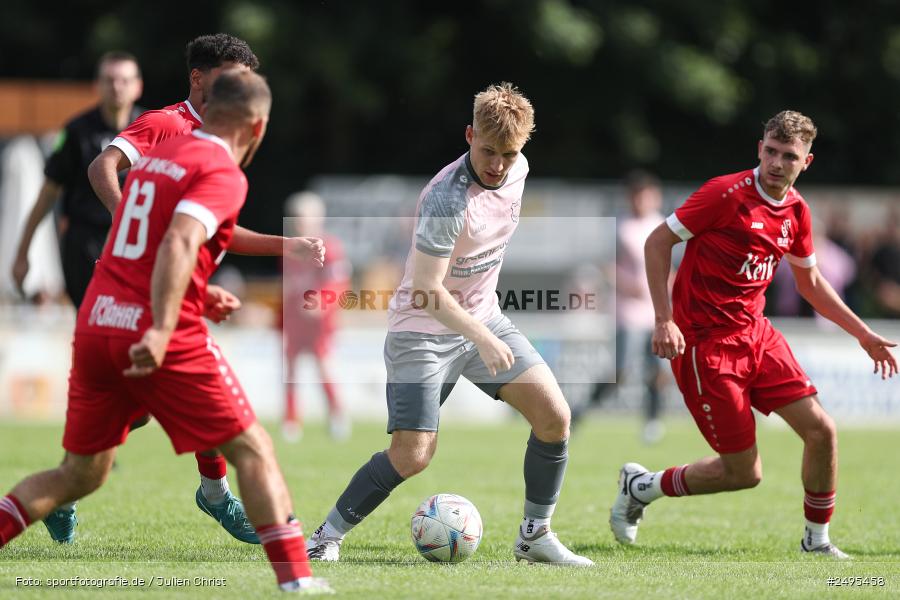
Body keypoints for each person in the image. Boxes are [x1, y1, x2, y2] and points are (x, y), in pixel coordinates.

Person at [0, 70, 331, 594]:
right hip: (154, 327)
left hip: (97, 320)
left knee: (79, 476)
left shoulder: (158, 157)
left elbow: (148, 240)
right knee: (252, 447)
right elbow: (178, 243)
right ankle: (298, 582)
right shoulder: (223, 171)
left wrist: (200, 292)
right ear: (259, 127)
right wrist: (158, 327)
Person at [305, 83, 593, 566]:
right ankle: (325, 535)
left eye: (507, 153)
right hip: (422, 331)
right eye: (487, 151)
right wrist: (480, 336)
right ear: (468, 135)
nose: (497, 164)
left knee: (554, 417)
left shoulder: (519, 169)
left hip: (483, 319)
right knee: (413, 455)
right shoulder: (446, 199)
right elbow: (426, 290)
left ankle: (534, 537)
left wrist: (483, 327)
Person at [609, 111, 898, 559]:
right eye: (771, 151)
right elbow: (657, 242)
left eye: (789, 156)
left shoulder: (797, 211)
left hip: (758, 337)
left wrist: (863, 334)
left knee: (822, 431)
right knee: (744, 473)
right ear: (759, 148)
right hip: (707, 347)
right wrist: (663, 319)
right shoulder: (723, 194)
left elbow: (811, 283)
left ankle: (816, 542)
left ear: (807, 161)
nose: (777, 163)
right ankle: (643, 486)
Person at [80, 33, 320, 547]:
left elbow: (214, 231)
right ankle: (235, 511)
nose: (239, 87)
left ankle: (70, 489)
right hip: (142, 285)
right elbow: (102, 166)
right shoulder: (167, 124)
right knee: (198, 395)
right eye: (230, 78)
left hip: (177, 282)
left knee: (142, 406)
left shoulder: (220, 134)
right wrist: (133, 232)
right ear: (198, 78)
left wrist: (287, 245)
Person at [11, 51, 143, 306]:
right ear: (98, 85)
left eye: (124, 80)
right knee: (90, 320)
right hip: (85, 242)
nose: (117, 87)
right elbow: (48, 193)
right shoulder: (76, 132)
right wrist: (22, 252)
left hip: (135, 240)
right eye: (110, 79)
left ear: (138, 87)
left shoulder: (152, 130)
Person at [572, 170, 671, 444]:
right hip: (627, 311)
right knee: (621, 371)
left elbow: (670, 267)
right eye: (638, 195)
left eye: (647, 195)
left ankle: (652, 421)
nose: (643, 201)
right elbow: (606, 266)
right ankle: (579, 412)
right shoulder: (620, 227)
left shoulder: (662, 225)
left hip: (656, 312)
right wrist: (628, 285)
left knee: (658, 370)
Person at [281, 192, 351, 442]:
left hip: (319, 321)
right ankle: (290, 420)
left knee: (323, 367)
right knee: (289, 369)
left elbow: (340, 283)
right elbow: (289, 287)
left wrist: (322, 301)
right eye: (297, 217)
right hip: (295, 320)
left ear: (318, 218)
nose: (301, 222)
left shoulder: (330, 247)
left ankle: (336, 414)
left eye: (306, 217)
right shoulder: (290, 248)